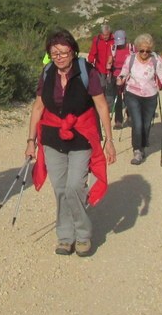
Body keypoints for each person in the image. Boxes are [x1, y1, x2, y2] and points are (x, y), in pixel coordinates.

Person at [25, 29, 116, 256]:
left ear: (73, 51)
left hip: (81, 136)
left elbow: (102, 105)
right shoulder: (47, 73)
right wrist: (30, 141)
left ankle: (83, 234)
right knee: (60, 190)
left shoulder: (87, 72)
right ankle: (65, 236)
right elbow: (38, 107)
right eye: (54, 52)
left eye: (64, 51)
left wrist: (109, 140)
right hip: (52, 137)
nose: (59, 56)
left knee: (75, 186)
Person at [116, 33, 162, 165]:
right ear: (138, 48)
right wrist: (120, 79)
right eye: (142, 50)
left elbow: (161, 78)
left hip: (150, 96)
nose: (144, 53)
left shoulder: (156, 59)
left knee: (146, 124)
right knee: (137, 123)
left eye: (148, 50)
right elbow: (124, 72)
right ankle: (137, 150)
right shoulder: (131, 59)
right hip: (133, 94)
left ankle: (143, 144)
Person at [88, 20, 116, 108]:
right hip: (99, 68)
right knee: (101, 87)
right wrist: (90, 61)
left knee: (110, 88)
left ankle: (109, 107)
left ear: (110, 33)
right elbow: (93, 52)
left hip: (111, 69)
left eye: (107, 35)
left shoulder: (114, 40)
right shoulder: (97, 40)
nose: (105, 37)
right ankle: (101, 104)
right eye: (103, 35)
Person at [109, 29, 132, 129]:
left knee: (129, 98)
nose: (120, 45)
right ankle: (118, 121)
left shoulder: (131, 48)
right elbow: (109, 61)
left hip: (129, 76)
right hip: (116, 75)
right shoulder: (113, 48)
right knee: (117, 98)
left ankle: (130, 115)